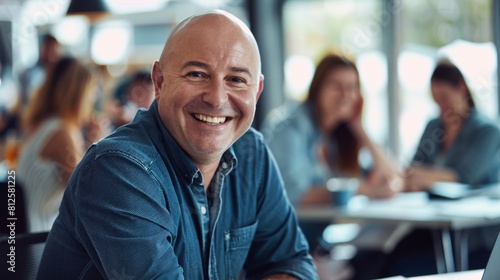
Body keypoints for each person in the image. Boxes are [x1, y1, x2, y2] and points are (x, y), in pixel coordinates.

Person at [37, 10, 318, 280]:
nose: (217, 98)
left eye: (236, 79)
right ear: (159, 82)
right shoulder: (118, 170)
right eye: (197, 74)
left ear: (256, 92)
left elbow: (291, 262)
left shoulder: (252, 153)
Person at [379, 61, 500, 277]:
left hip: (472, 234)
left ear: (461, 88)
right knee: (386, 258)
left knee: (406, 267)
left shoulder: (487, 131)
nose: (442, 108)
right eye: (436, 101)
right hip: (433, 225)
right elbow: (411, 167)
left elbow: (465, 177)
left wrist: (422, 176)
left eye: (444, 98)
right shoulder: (434, 126)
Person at [17, 56, 99, 232]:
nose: (92, 100)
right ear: (78, 94)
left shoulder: (42, 126)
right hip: (40, 237)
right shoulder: (63, 132)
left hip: (24, 236)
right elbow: (86, 194)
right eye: (92, 92)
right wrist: (100, 146)